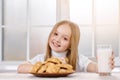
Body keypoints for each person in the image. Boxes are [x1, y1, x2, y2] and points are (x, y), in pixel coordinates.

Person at [17, 20, 114, 73]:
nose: (57, 40)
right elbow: (21, 68)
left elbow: (93, 67)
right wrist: (47, 67)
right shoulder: (41, 58)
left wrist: (104, 65)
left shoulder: (78, 59)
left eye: (65, 38)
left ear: (71, 44)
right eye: (55, 34)